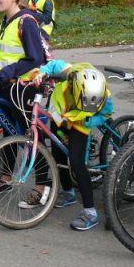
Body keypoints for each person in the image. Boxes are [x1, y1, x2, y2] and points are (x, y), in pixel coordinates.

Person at [27, 61, 112, 231]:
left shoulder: (104, 94)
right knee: (58, 155)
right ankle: (68, 193)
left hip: (80, 122)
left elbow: (106, 114)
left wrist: (85, 120)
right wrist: (41, 73)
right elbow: (52, 65)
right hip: (58, 116)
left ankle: (90, 211)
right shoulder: (68, 72)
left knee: (76, 160)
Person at [0, 0, 46, 200]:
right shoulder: (5, 21)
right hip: (6, 87)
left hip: (24, 88)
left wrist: (10, 71)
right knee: (8, 132)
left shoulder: (26, 21)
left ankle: (43, 186)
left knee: (32, 137)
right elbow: (1, 55)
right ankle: (5, 177)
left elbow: (36, 57)